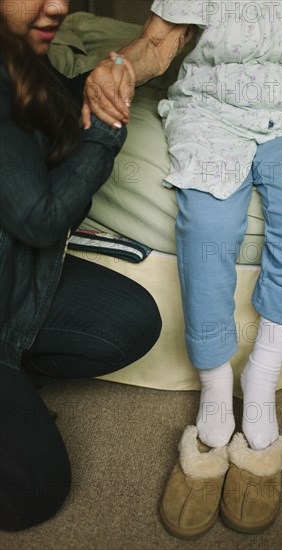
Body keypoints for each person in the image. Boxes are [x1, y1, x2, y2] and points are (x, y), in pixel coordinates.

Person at [83, 0, 282, 539]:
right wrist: (118, 64)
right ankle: (216, 400)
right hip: (211, 111)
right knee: (208, 230)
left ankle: (258, 387)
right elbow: (160, 44)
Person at [0, 0, 162, 532]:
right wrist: (107, 128)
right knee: (34, 492)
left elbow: (44, 121)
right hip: (18, 261)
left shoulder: (19, 56)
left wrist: (103, 80)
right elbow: (41, 218)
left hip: (12, 282)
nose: (59, 5)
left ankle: (14, 372)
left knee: (130, 320)